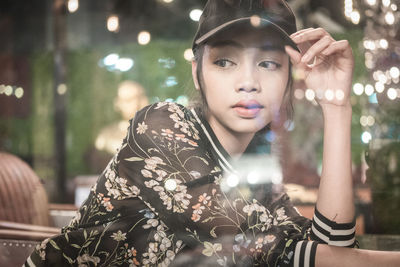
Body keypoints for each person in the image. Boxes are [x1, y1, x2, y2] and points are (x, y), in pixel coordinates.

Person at [25, 0, 400, 266]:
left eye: (268, 64)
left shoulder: (260, 184)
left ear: (289, 79)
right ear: (196, 73)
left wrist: (336, 108)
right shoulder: (159, 127)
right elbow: (260, 251)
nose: (248, 82)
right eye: (224, 61)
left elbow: (331, 249)